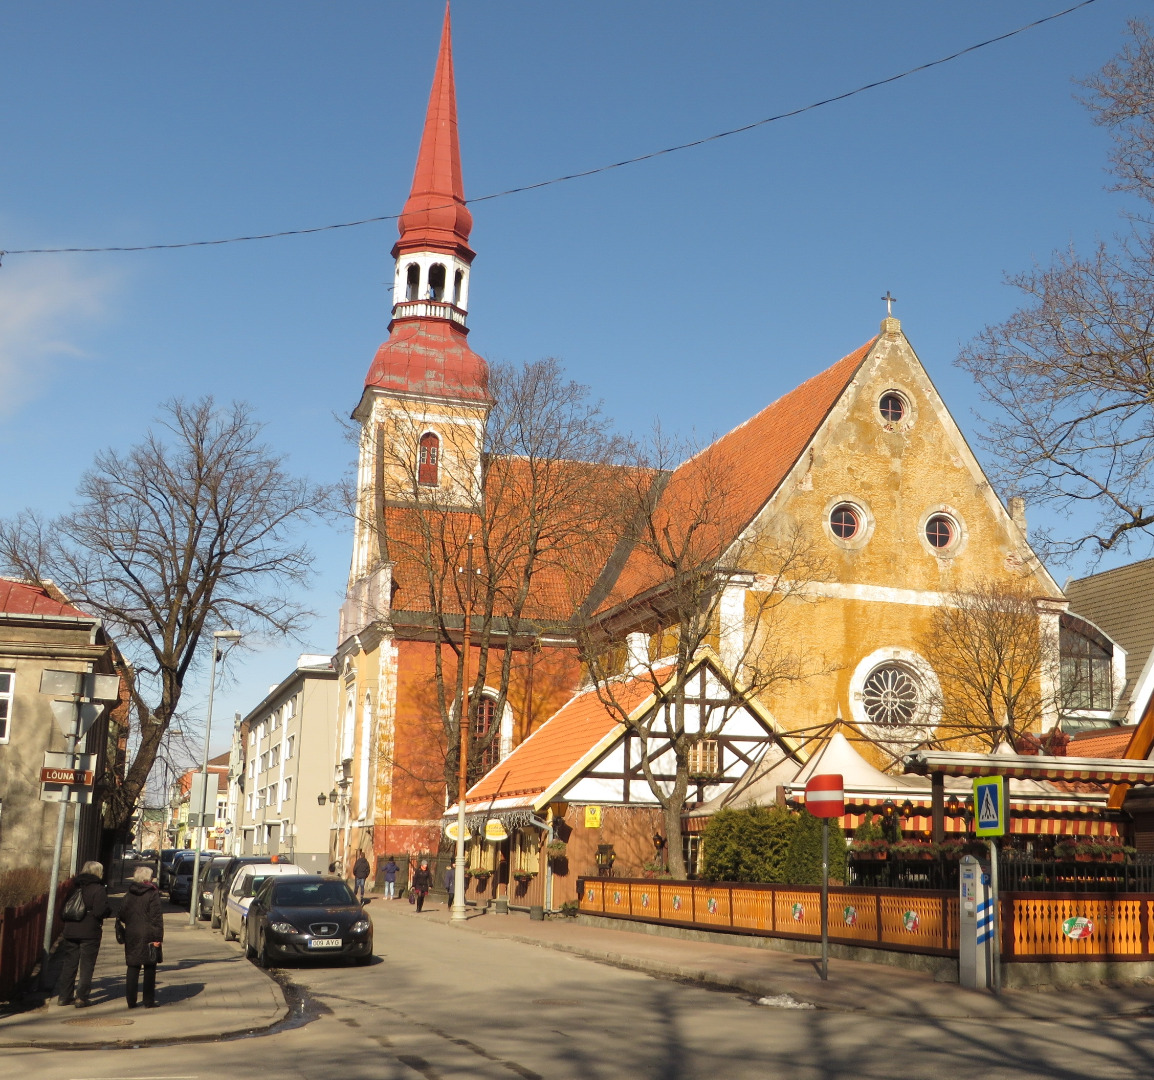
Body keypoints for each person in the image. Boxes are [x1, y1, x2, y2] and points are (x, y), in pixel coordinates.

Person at [55, 860, 110, 1008]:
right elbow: (100, 911)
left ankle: (64, 997)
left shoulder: (73, 886)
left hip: (70, 931)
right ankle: (81, 998)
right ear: (98, 873)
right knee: (86, 965)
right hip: (89, 932)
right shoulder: (98, 889)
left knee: (69, 964)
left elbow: (63, 909)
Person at [116, 865, 164, 1009]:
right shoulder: (152, 894)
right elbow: (156, 917)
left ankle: (131, 1001)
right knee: (149, 967)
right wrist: (158, 938)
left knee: (133, 966)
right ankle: (148, 1001)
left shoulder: (129, 893)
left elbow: (122, 914)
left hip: (132, 933)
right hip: (149, 934)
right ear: (148, 878)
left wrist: (131, 923)